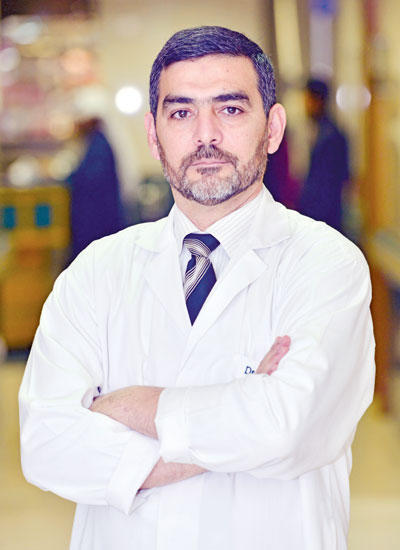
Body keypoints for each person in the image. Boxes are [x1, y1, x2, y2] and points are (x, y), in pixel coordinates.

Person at [19, 26, 375, 550]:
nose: (206, 135)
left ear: (273, 128)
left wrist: (129, 406)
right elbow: (46, 444)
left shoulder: (326, 265)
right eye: (181, 113)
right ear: (153, 133)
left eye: (230, 109)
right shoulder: (95, 273)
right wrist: (241, 421)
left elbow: (288, 427)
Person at [67, 116, 125, 263]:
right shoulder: (94, 142)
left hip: (97, 218)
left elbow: (91, 179)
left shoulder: (99, 146)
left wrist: (70, 179)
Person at [298, 78, 350, 232]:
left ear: (319, 101)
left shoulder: (330, 136)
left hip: (323, 215)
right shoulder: (322, 131)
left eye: (308, 100)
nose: (305, 106)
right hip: (321, 213)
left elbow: (330, 182)